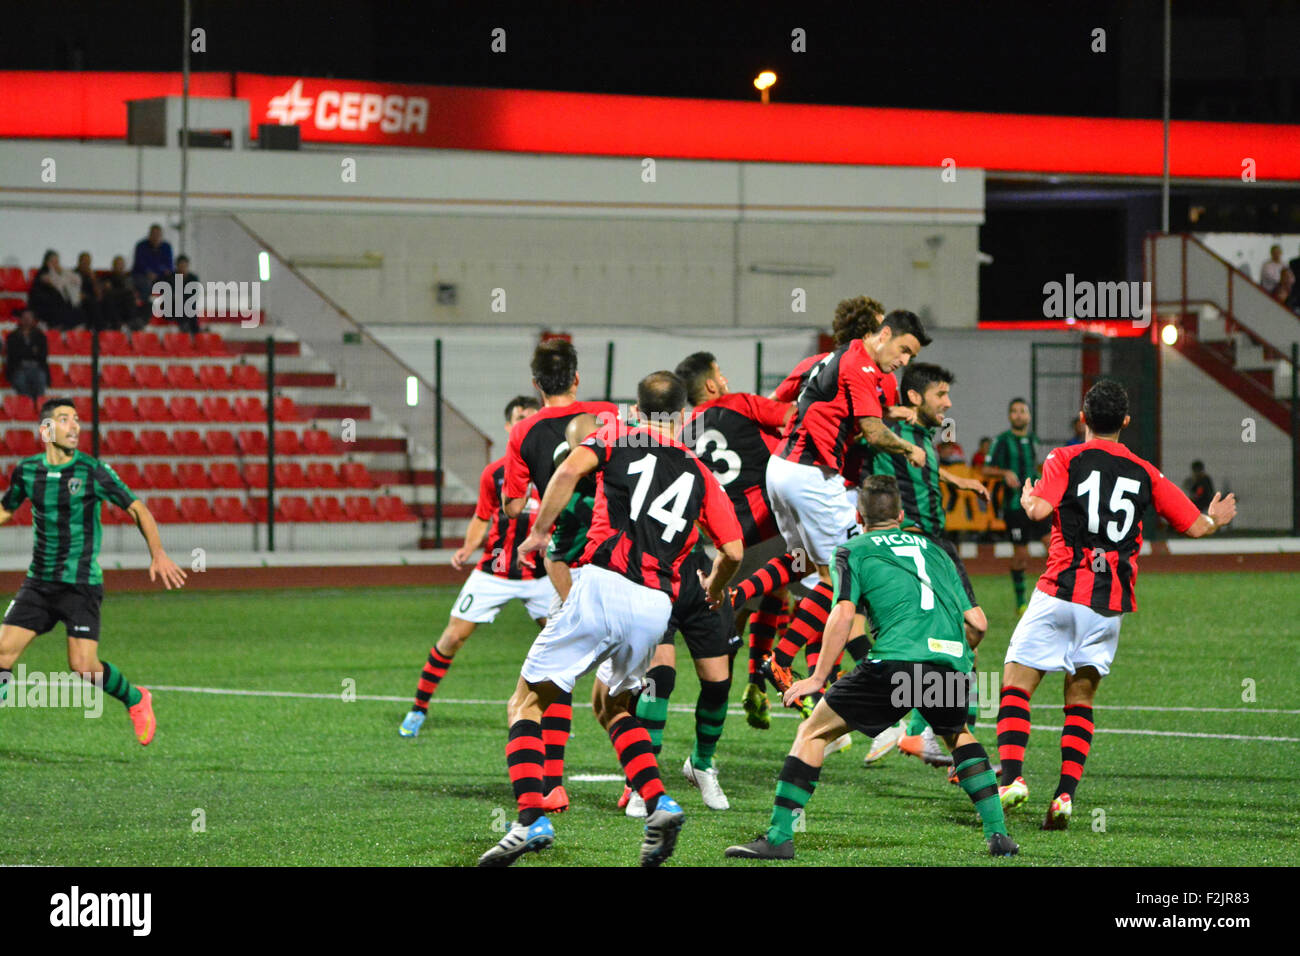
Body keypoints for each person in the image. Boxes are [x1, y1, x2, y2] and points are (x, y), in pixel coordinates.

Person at [477, 371, 744, 867]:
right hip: (654, 605)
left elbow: (568, 472)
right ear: (684, 416)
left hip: (604, 583)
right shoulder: (699, 470)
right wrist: (717, 585)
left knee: (526, 702)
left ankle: (531, 817)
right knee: (612, 705)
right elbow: (732, 548)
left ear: (636, 408)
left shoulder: (619, 432)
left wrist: (538, 533)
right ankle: (659, 802)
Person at [723, 475, 1019, 860]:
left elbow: (844, 613)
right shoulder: (938, 551)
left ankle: (779, 837)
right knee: (957, 734)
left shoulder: (852, 549)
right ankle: (999, 836)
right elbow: (977, 624)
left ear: (859, 516)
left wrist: (816, 677)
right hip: (948, 663)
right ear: (899, 513)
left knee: (812, 733)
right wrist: (956, 656)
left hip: (893, 663)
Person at [996, 380, 1236, 830]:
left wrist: (1030, 499)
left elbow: (1038, 512)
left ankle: (1012, 779)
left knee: (1015, 685)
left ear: (1083, 417)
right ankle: (1064, 795)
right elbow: (1196, 527)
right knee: (1080, 700)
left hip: (1060, 591)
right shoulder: (1146, 471)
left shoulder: (1063, 457)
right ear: (1125, 422)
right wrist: (1214, 519)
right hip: (1108, 606)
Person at [759, 309, 930, 708]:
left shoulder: (838, 361)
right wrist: (910, 448)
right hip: (812, 478)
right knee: (845, 578)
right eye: (904, 350)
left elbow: (781, 400)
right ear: (883, 333)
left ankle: (812, 672)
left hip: (781, 470)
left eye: (911, 356)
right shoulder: (859, 365)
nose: (905, 361)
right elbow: (871, 431)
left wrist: (891, 413)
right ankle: (783, 661)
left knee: (809, 573)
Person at [0, 397, 187, 745]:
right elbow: (6, 509)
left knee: (83, 666)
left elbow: (137, 509)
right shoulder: (27, 471)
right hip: (39, 583)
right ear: (46, 429)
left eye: (76, 419)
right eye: (64, 419)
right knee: (1, 652)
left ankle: (136, 698)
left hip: (81, 585)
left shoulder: (92, 471)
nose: (74, 426)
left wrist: (158, 553)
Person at [500, 339, 621, 815]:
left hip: (570, 563)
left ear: (535, 384)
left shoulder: (522, 432)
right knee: (633, 682)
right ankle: (643, 789)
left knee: (547, 681)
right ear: (577, 378)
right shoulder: (610, 415)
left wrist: (539, 512)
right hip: (626, 563)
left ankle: (548, 787)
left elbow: (512, 507)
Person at [398, 396, 556, 738]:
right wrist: (468, 546)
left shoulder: (558, 472)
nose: (525, 423)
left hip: (540, 576)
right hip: (493, 574)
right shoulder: (495, 474)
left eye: (531, 418)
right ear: (508, 427)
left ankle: (554, 721)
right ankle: (418, 708)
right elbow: (482, 516)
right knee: (453, 637)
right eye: (519, 418)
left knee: (559, 644)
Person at [863, 363, 992, 767]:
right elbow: (859, 426)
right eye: (940, 394)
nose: (948, 402)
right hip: (917, 544)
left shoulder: (921, 434)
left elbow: (923, 469)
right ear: (915, 398)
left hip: (935, 543)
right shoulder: (888, 432)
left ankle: (921, 733)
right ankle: (920, 732)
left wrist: (959, 482)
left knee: (957, 639)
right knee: (967, 631)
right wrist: (887, 408)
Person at [675, 350, 795, 730]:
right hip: (769, 527)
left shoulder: (683, 434)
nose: (725, 378)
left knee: (747, 608)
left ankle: (736, 690)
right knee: (830, 589)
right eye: (720, 372)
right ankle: (805, 682)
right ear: (711, 384)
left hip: (724, 543)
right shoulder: (739, 403)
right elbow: (794, 419)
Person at [986, 397, 1051, 615]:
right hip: (1014, 507)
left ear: (1029, 416)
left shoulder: (1034, 440)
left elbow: (1036, 468)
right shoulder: (1002, 440)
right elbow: (985, 470)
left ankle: (1055, 597)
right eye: (1014, 411)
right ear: (1009, 415)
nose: (1019, 415)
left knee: (1053, 548)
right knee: (1021, 555)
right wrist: (1004, 472)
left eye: (1023, 411)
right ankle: (1021, 601)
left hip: (1037, 504)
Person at [27, 250, 80, 331]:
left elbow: (74, 280)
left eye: (57, 261)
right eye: (53, 261)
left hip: (55, 300)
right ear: (47, 261)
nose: (56, 263)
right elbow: (54, 285)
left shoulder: (60, 272)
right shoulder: (43, 272)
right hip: (43, 301)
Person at [5, 308, 50, 401]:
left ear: (33, 320)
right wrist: (32, 351)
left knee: (41, 380)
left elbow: (43, 354)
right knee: (20, 382)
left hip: (37, 367)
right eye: (24, 317)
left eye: (29, 317)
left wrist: (24, 351)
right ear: (20, 319)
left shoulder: (40, 336)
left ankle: (37, 405)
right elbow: (13, 355)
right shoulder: (12, 336)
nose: (27, 320)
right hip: (19, 367)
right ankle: (28, 405)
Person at [131, 224, 174, 302]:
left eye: (158, 235)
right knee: (144, 284)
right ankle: (145, 307)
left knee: (175, 282)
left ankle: (171, 308)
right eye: (154, 234)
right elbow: (139, 264)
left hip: (161, 276)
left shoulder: (167, 247)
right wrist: (148, 272)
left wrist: (159, 272)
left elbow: (169, 265)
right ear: (149, 235)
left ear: (161, 236)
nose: (156, 237)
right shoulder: (141, 246)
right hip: (143, 276)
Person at [103, 255, 146, 331]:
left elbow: (134, 292)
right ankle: (122, 323)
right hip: (116, 305)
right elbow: (108, 292)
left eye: (121, 264)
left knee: (148, 304)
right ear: (113, 266)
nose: (119, 267)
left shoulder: (128, 278)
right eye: (117, 264)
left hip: (127, 306)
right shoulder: (108, 278)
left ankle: (134, 322)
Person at [73, 252, 103, 330]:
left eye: (88, 262)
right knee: (91, 303)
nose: (86, 264)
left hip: (92, 298)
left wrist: (93, 280)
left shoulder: (91, 275)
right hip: (79, 298)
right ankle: (98, 328)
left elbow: (99, 295)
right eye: (84, 261)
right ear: (79, 262)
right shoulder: (74, 274)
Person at [173, 255, 200, 334]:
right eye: (181, 266)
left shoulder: (193, 278)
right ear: (177, 266)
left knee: (189, 307)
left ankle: (195, 333)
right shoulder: (172, 277)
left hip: (188, 305)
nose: (182, 268)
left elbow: (193, 295)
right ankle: (185, 326)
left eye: (184, 266)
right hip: (174, 306)